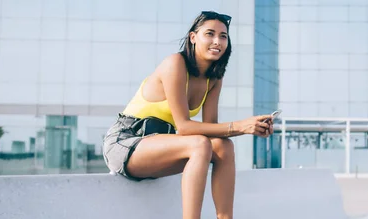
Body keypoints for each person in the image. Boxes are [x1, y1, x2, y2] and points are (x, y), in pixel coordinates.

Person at [102, 11, 274, 219]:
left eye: (223, 36)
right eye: (209, 34)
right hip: (126, 142)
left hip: (161, 147)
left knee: (223, 147)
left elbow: (213, 132)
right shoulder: (175, 63)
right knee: (199, 144)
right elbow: (184, 127)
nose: (217, 41)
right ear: (193, 37)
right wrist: (241, 125)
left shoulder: (214, 79)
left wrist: (253, 127)